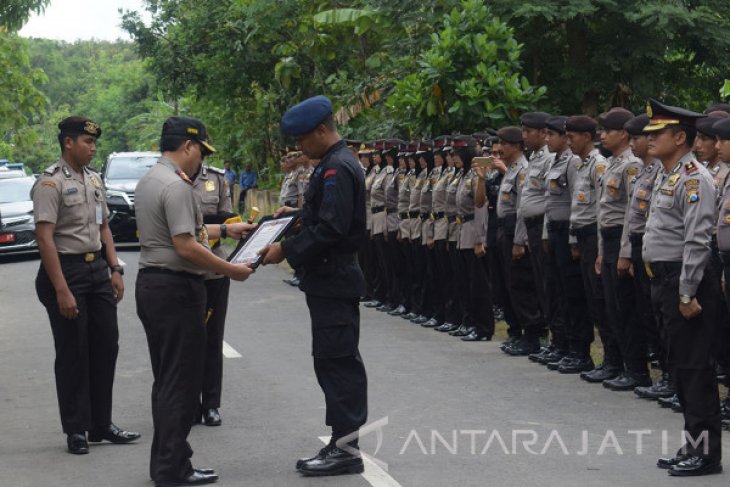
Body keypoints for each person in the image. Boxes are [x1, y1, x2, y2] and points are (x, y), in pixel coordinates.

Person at [135, 116, 255, 487]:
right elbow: (186, 246)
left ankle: (168, 463)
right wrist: (230, 269)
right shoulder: (177, 187)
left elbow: (187, 231)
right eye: (200, 150)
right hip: (176, 290)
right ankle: (172, 469)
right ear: (187, 146)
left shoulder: (151, 180)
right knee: (181, 384)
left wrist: (225, 229)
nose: (201, 158)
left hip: (154, 286)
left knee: (167, 380)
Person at [260, 95, 368, 477]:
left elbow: (333, 227)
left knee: (338, 362)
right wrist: (296, 215)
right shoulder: (332, 163)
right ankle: (342, 442)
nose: (300, 148)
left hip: (334, 277)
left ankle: (346, 450)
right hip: (329, 279)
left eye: (304, 140)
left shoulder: (337, 167)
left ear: (322, 131)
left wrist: (284, 249)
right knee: (330, 359)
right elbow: (323, 214)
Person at [32, 116, 140, 455]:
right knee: (73, 353)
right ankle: (76, 429)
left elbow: (104, 227)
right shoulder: (50, 184)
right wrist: (61, 289)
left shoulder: (94, 180)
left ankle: (100, 424)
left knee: (106, 346)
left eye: (94, 143)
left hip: (96, 272)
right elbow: (45, 238)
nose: (93, 148)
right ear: (68, 143)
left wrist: (115, 268)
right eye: (87, 142)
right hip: (66, 272)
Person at [643, 99, 722, 477]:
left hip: (684, 282)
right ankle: (693, 442)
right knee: (681, 366)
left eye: (657, 134)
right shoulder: (668, 174)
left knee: (695, 368)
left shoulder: (694, 178)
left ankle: (705, 454)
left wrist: (687, 292)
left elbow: (696, 240)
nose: (650, 139)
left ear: (679, 137)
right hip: (665, 280)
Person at [192, 163, 239, 427]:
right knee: (187, 339)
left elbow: (227, 219)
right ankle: (188, 403)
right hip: (184, 269)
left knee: (212, 338)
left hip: (215, 266)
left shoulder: (217, 179)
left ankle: (211, 404)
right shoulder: (171, 179)